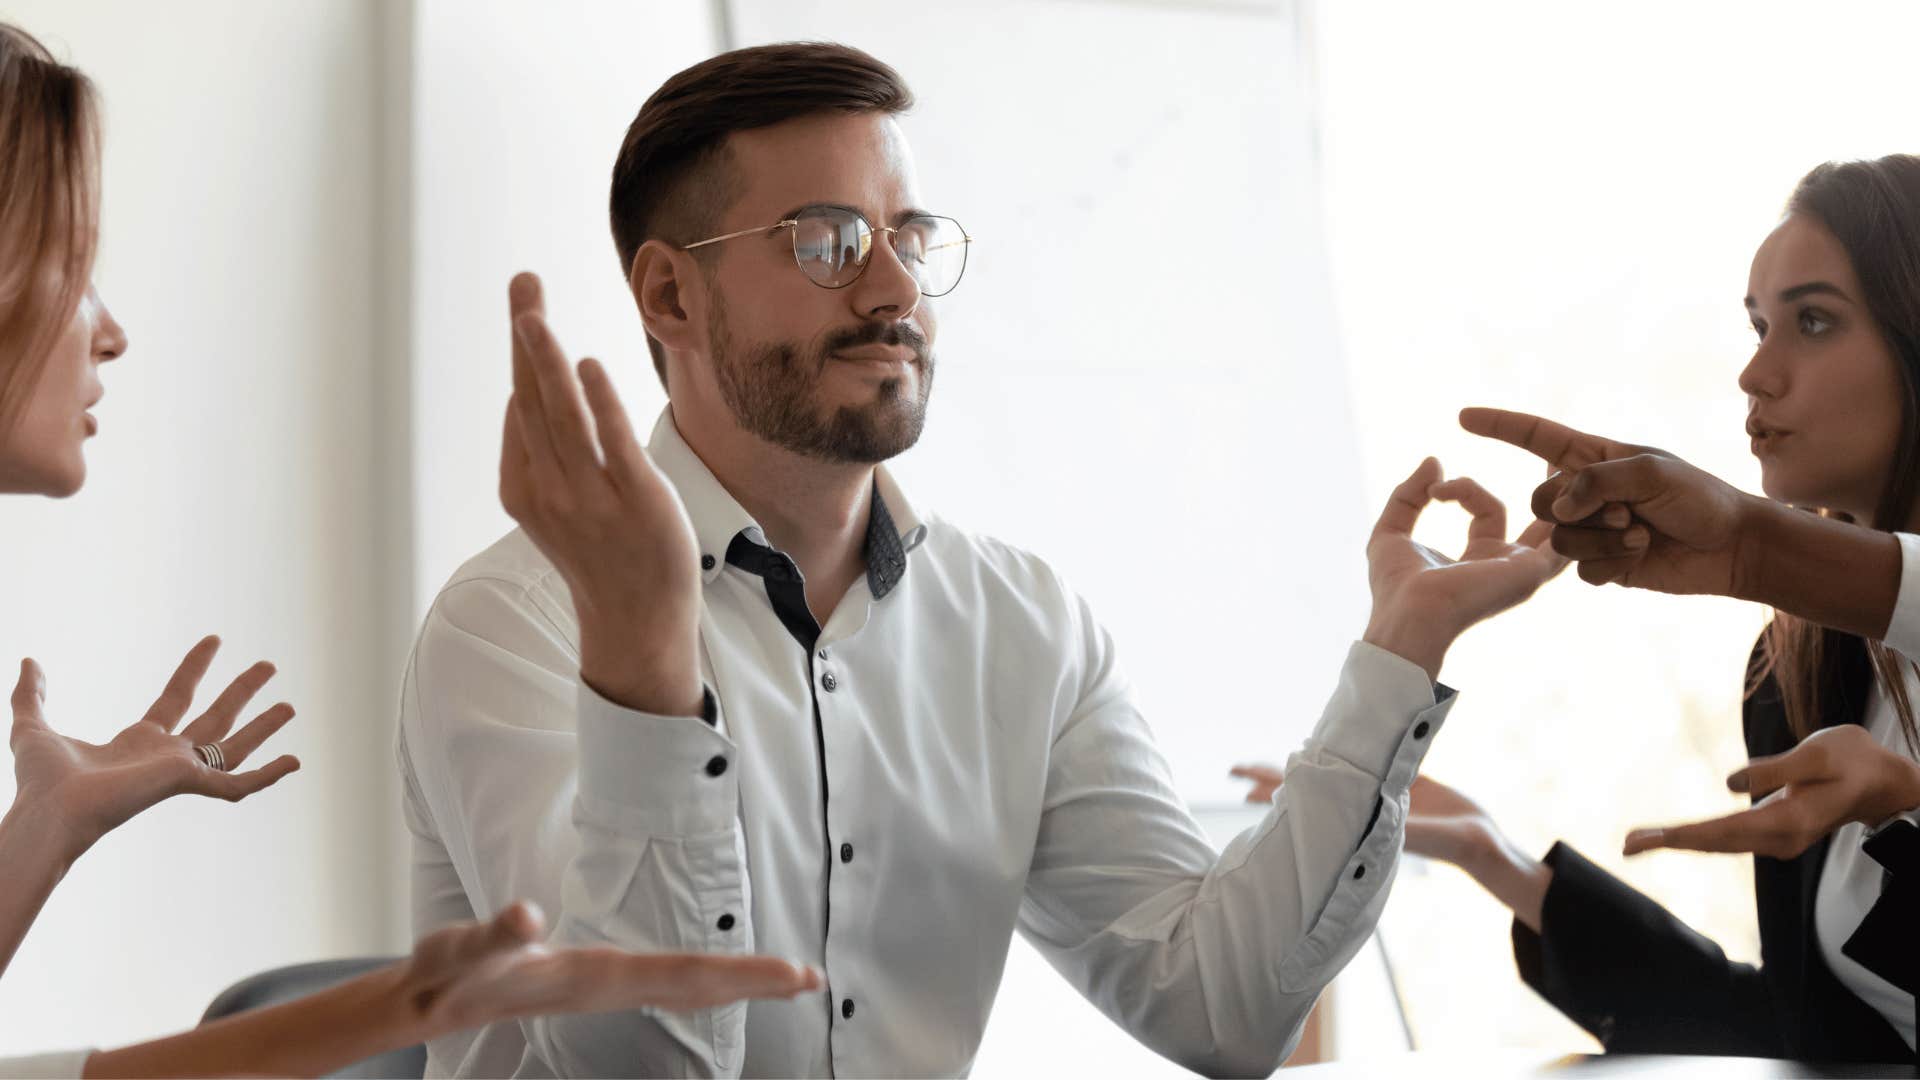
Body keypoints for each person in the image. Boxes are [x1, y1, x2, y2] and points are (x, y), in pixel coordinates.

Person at [397, 41, 1567, 1077]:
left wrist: (1402, 648)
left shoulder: (1022, 623)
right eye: (829, 240)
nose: (897, 286)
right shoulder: (514, 625)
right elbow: (639, 1068)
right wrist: (645, 660)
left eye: (906, 236)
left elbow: (1221, 1004)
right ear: (670, 294)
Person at [0, 21, 817, 1077]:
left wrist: (47, 826)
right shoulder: (505, 617)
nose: (108, 330)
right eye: (74, 265)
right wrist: (406, 1004)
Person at [1244, 154, 1920, 1064]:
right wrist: (1502, 859)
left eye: (1812, 320)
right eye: (1757, 326)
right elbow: (1803, 1035)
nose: (1755, 373)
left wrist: (1905, 803)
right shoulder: (1800, 667)